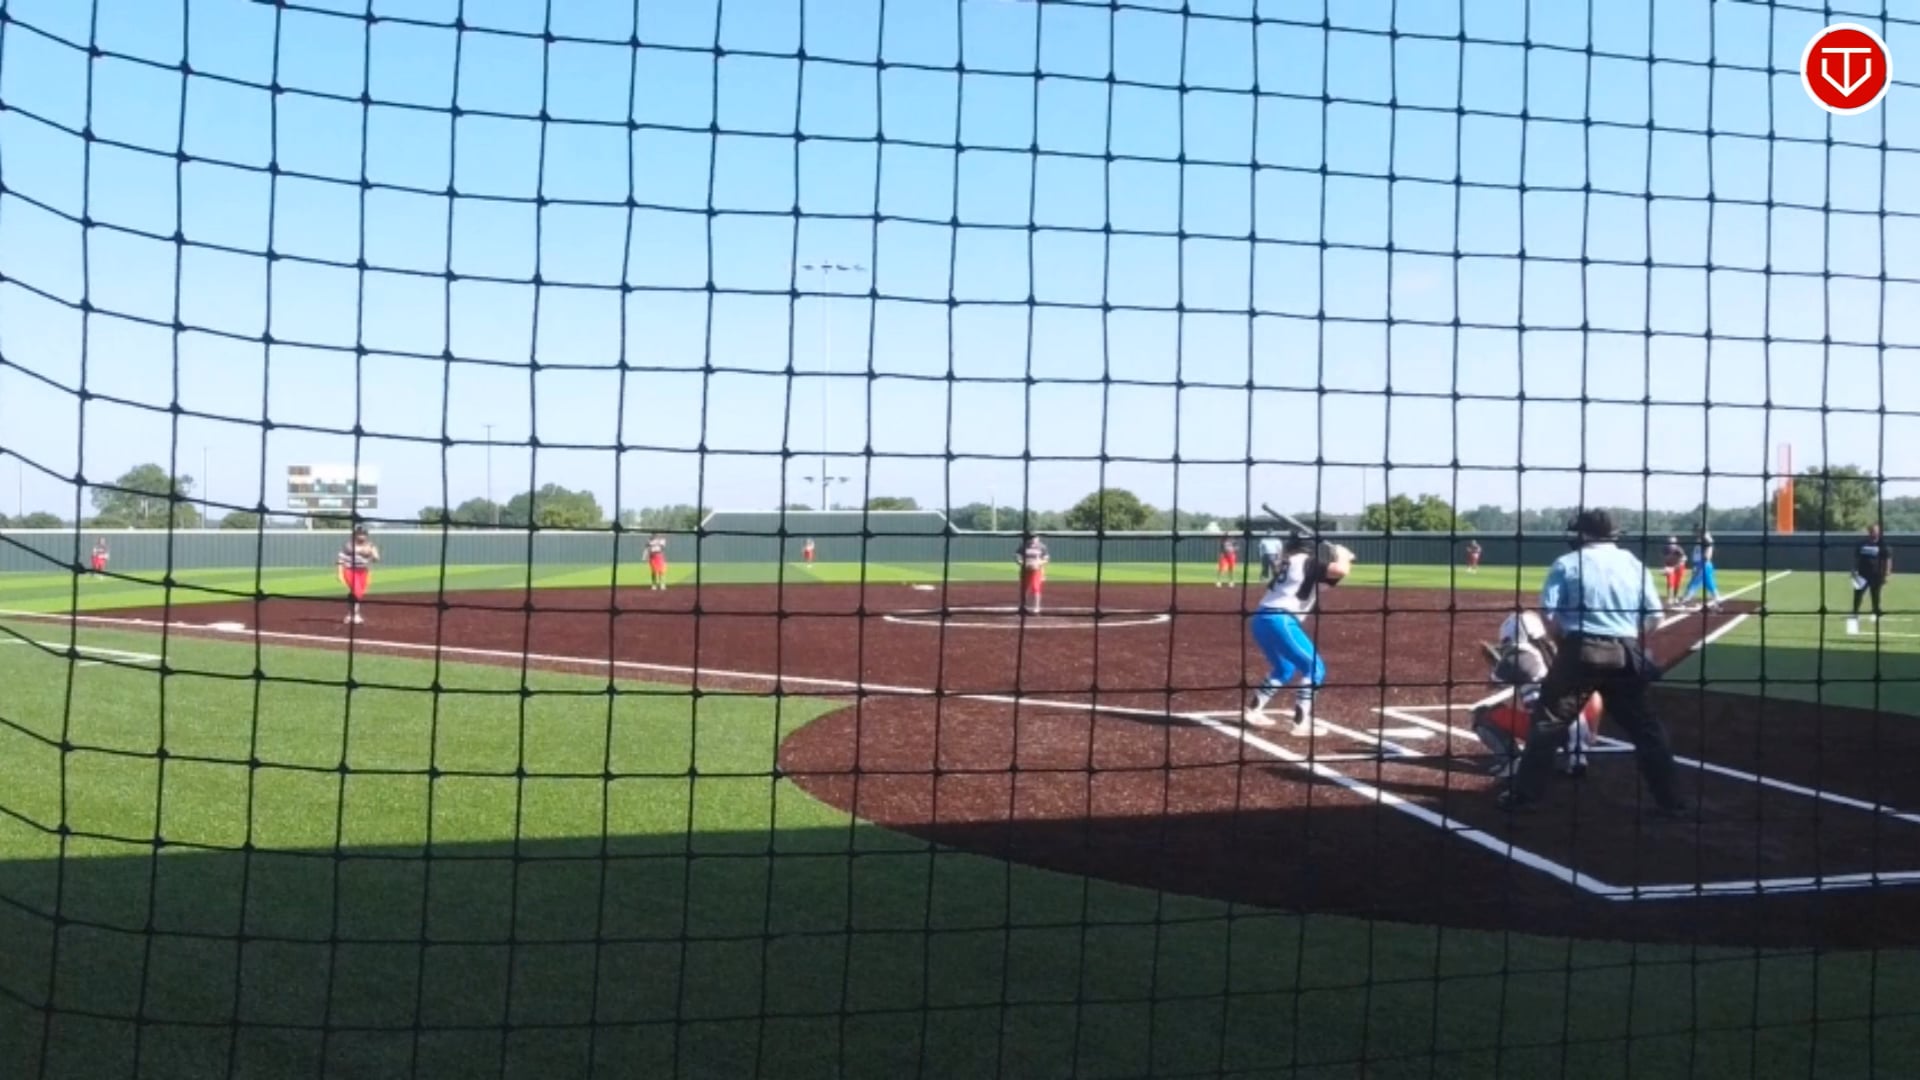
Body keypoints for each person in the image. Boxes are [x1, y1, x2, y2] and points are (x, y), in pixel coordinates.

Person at [1498, 509, 1689, 818]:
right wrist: (1628, 638)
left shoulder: (1567, 563)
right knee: (1647, 729)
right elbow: (1655, 616)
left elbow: (1549, 614)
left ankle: (1525, 797)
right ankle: (1673, 802)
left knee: (1547, 725)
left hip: (1580, 651)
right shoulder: (1633, 564)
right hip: (1625, 653)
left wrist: (1563, 643)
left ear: (1584, 534)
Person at [1242, 532, 1357, 734]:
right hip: (1280, 620)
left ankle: (1253, 710)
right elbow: (1340, 570)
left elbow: (1326, 580)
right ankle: (1301, 723)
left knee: (1284, 668)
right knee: (1315, 668)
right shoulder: (1306, 562)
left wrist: (1343, 559)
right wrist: (1343, 555)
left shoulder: (1290, 563)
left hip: (1261, 618)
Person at [1471, 610, 1601, 779]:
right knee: (1583, 693)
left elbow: (1492, 684)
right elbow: (1594, 695)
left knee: (1482, 715)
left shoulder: (1518, 655)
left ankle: (1513, 762)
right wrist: (1593, 730)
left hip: (1545, 731)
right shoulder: (1560, 652)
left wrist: (1498, 664)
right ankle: (1577, 758)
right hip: (1579, 729)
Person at [1848, 524, 1893, 635]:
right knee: (1857, 594)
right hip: (1861, 574)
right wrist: (1853, 570)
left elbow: (1888, 559)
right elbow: (1856, 558)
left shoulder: (1883, 544)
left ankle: (1875, 612)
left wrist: (1887, 573)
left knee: (1875, 595)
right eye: (1873, 531)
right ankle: (1855, 613)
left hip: (1877, 574)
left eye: (1876, 531)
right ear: (1869, 532)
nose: (1875, 533)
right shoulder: (1862, 543)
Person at [336, 525, 380, 626]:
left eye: (363, 534)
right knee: (357, 591)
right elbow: (340, 559)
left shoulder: (370, 546)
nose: (361, 536)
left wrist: (373, 554)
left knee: (358, 593)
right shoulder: (349, 546)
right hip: (350, 570)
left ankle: (350, 615)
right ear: (355, 535)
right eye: (359, 534)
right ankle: (355, 615)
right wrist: (339, 573)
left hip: (363, 571)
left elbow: (376, 558)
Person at [1679, 526, 1722, 612]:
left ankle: (1685, 601)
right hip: (1704, 564)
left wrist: (1701, 564)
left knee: (1694, 583)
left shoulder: (1705, 538)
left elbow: (1708, 550)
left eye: (1696, 531)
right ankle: (1718, 602)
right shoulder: (1703, 538)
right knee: (1710, 584)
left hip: (1702, 564)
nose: (1694, 533)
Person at [1015, 532, 1050, 613]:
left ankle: (1037, 607)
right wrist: (1022, 563)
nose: (1032, 540)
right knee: (1024, 588)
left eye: (1034, 538)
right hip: (1025, 570)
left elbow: (1046, 558)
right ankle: (1022, 606)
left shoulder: (1042, 546)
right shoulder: (1023, 546)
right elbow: (1017, 557)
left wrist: (1039, 563)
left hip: (1036, 570)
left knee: (1036, 587)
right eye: (1031, 538)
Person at [1661, 536, 1688, 609]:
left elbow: (1683, 560)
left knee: (1677, 583)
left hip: (1679, 567)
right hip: (1670, 566)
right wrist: (1665, 568)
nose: (1671, 544)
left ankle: (1675, 597)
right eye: (1669, 542)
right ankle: (1670, 598)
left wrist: (1674, 568)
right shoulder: (1665, 549)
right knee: (1670, 582)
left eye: (1672, 542)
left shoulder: (1678, 549)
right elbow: (1665, 559)